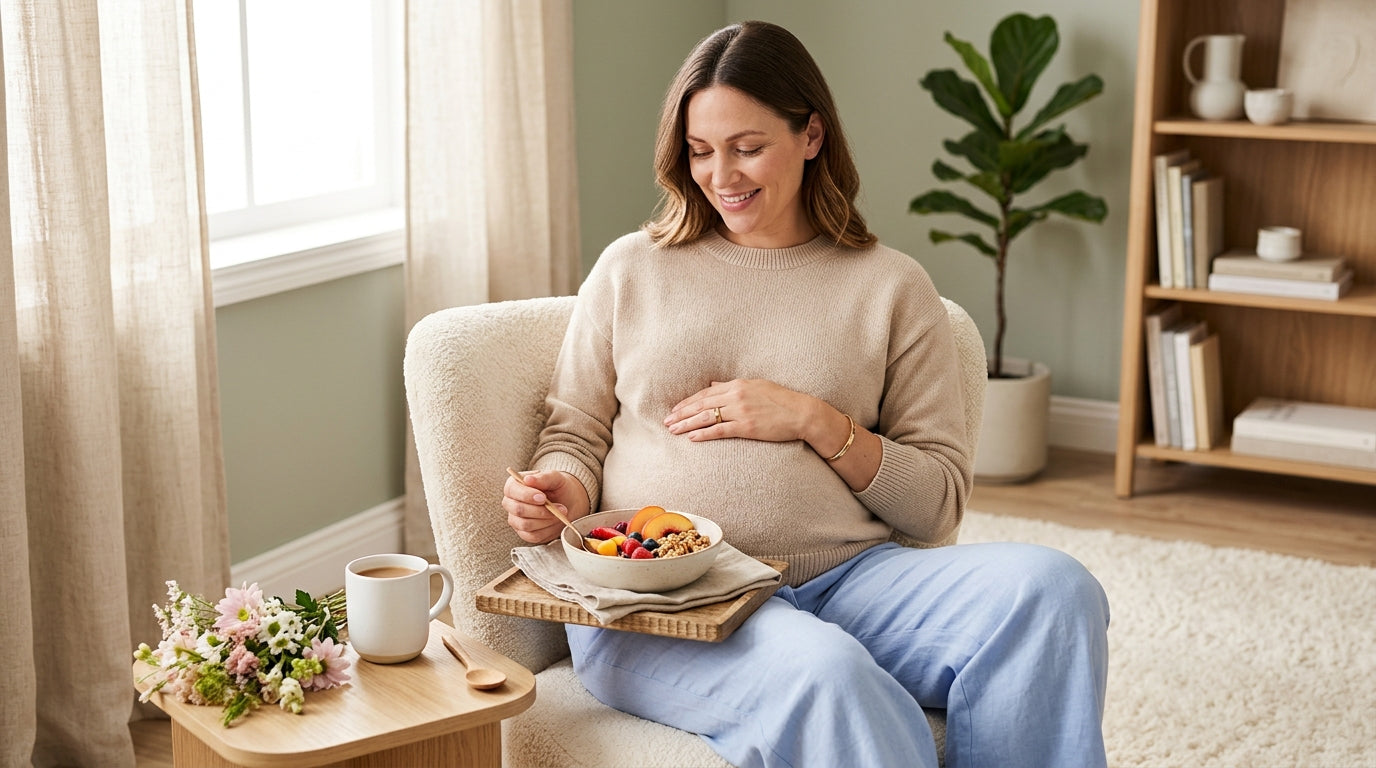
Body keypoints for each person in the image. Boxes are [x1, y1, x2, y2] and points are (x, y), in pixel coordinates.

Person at [502, 19, 1109, 768]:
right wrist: (559, 483)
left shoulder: (889, 288)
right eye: (699, 151)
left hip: (849, 581)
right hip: (661, 605)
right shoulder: (631, 269)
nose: (720, 175)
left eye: (747, 147)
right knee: (825, 672)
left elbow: (937, 502)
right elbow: (576, 429)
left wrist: (817, 422)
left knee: (1052, 590)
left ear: (812, 135)